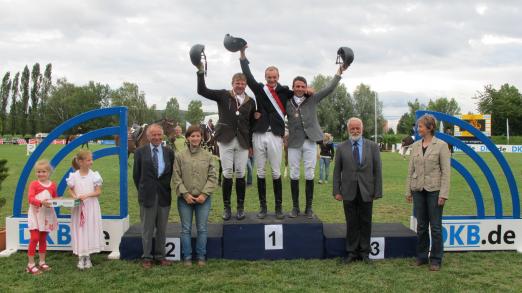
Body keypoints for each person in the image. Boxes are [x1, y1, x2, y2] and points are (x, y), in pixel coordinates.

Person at [239, 46, 296, 219]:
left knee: (276, 172)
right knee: (261, 172)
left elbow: (301, 93)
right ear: (265, 77)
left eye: (274, 77)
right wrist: (242, 55)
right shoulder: (260, 89)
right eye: (269, 77)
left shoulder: (285, 91)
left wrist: (309, 91)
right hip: (259, 134)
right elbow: (247, 76)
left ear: (278, 77)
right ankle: (263, 208)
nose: (271, 80)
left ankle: (278, 208)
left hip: (276, 135)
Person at [196, 63, 256, 221]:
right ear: (232, 83)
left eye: (243, 83)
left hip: (243, 141)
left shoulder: (250, 102)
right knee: (227, 173)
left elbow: (251, 124)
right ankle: (227, 208)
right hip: (225, 139)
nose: (240, 86)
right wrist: (200, 72)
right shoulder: (223, 95)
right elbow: (202, 91)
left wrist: (250, 144)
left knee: (241, 174)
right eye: (237, 83)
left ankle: (241, 208)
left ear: (246, 85)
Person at [287, 64, 348, 218]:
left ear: (306, 87)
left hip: (310, 140)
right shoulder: (286, 100)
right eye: (297, 86)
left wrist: (339, 73)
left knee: (309, 173)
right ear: (293, 87)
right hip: (294, 141)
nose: (300, 88)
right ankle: (295, 207)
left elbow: (329, 89)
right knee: (294, 173)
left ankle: (308, 208)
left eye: (302, 86)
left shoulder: (312, 98)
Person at [333, 118, 382, 264]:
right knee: (351, 222)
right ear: (348, 130)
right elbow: (337, 172)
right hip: (348, 191)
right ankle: (351, 252)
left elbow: (377, 170)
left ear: (362, 128)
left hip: (367, 191)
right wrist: (337, 190)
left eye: (357, 128)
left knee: (366, 222)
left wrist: (377, 191)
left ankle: (365, 253)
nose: (355, 131)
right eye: (352, 129)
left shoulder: (373, 146)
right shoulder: (341, 147)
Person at [406, 114, 451, 271]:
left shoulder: (442, 145)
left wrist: (443, 194)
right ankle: (422, 256)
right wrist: (409, 191)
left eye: (421, 127)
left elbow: (446, 172)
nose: (418, 129)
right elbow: (410, 170)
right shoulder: (416, 145)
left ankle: (436, 259)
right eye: (418, 126)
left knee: (436, 227)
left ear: (430, 127)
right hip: (418, 190)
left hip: (435, 191)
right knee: (422, 226)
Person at [172, 125, 217, 267]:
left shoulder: (208, 156)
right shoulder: (180, 156)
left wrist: (204, 194)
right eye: (193, 136)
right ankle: (187, 257)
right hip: (185, 199)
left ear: (201, 138)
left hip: (203, 199)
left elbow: (213, 177)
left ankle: (201, 256)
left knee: (202, 228)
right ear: (188, 138)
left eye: (198, 136)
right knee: (185, 229)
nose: (195, 138)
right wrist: (185, 194)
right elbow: (176, 177)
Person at [133, 124, 175, 268]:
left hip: (164, 195)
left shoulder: (169, 152)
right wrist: (143, 191)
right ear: (148, 136)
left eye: (159, 134)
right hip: (147, 196)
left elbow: (171, 174)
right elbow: (136, 176)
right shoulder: (140, 152)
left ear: (162, 135)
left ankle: (160, 256)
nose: (156, 137)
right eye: (153, 135)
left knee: (162, 229)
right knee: (147, 228)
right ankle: (146, 257)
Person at [66, 149, 104, 270]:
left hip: (91, 206)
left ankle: (87, 256)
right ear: (80, 162)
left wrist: (86, 196)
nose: (91, 162)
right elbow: (70, 189)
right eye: (88, 160)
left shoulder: (94, 175)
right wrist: (75, 197)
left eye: (91, 159)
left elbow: (98, 192)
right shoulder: (74, 176)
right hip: (78, 207)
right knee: (80, 230)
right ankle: (81, 257)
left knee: (89, 229)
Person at [26, 159, 58, 275]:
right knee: (34, 238)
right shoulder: (34, 184)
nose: (41, 174)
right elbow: (30, 198)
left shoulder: (53, 185)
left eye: (43, 171)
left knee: (43, 239)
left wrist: (61, 202)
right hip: (35, 214)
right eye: (38, 172)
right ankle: (30, 264)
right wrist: (41, 202)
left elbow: (55, 199)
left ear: (49, 172)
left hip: (47, 215)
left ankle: (42, 262)